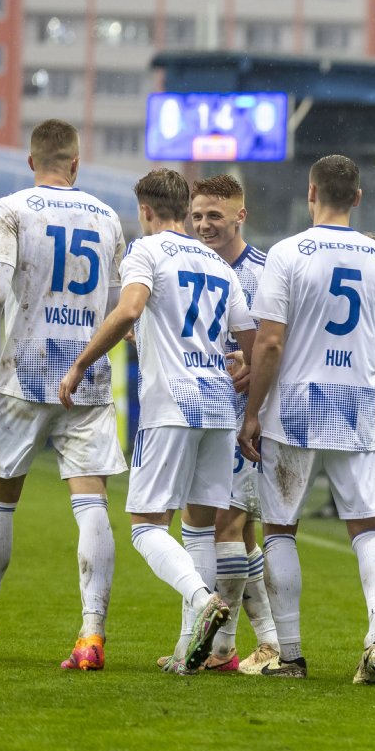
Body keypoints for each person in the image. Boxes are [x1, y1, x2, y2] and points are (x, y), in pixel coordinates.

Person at [59, 167, 256, 675]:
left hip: (171, 404)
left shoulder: (145, 250)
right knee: (199, 530)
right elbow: (249, 341)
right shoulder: (219, 265)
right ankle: (191, 652)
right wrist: (244, 366)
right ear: (185, 210)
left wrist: (81, 364)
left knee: (146, 527)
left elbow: (129, 309)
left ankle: (202, 598)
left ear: (145, 210)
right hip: (219, 408)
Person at [237, 155, 375, 684]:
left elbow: (270, 342)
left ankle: (290, 655)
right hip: (357, 406)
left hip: (296, 407)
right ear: (358, 197)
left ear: (311, 193)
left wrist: (252, 412)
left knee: (280, 529)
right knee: (367, 528)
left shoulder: (287, 253)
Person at [0, 119, 127, 670]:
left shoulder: (12, 209)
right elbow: (116, 309)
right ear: (76, 164)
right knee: (92, 504)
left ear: (31, 162)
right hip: (86, 379)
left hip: (23, 373)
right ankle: (91, 635)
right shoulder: (108, 218)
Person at [179, 175, 280, 675]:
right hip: (202, 411)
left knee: (225, 523)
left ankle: (219, 648)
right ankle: (266, 642)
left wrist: (254, 369)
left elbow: (279, 342)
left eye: (214, 216)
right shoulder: (188, 265)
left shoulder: (263, 272)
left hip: (247, 417)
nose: (204, 225)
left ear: (241, 216)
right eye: (197, 216)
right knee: (238, 531)